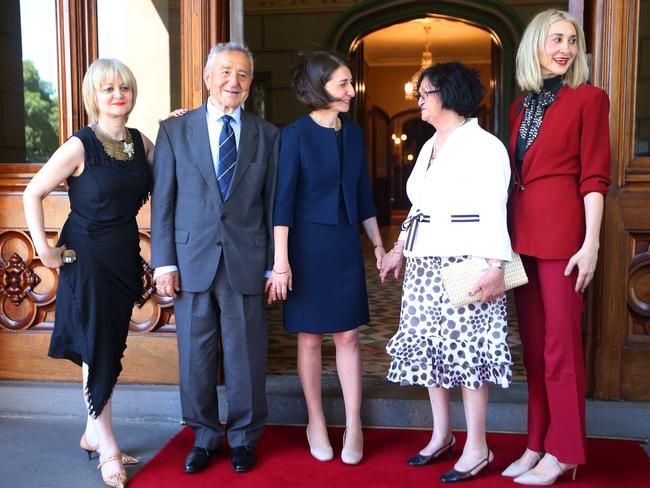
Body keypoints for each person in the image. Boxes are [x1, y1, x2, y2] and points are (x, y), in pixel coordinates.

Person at [23, 58, 153, 488]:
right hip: (85, 256)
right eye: (108, 88)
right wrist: (44, 249)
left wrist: (179, 125)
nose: (118, 94)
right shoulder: (80, 145)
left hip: (122, 256)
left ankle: (90, 431)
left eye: (125, 88)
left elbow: (174, 167)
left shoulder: (142, 143)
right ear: (93, 97)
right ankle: (109, 444)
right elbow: (33, 191)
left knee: (110, 343)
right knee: (97, 345)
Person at [380, 62, 512, 483]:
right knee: (432, 350)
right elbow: (421, 207)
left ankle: (478, 447)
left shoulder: (484, 146)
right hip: (424, 264)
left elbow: (495, 208)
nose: (418, 99)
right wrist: (400, 247)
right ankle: (442, 435)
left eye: (425, 92)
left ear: (449, 95)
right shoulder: (432, 143)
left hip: (468, 262)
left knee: (467, 354)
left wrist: (496, 267)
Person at [151, 42, 279, 475]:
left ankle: (244, 438)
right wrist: (163, 262)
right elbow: (163, 201)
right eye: (225, 72)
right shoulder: (174, 130)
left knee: (246, 357)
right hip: (190, 262)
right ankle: (203, 436)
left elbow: (271, 202)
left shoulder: (267, 134)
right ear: (207, 78)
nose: (234, 81)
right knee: (196, 355)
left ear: (250, 83)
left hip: (245, 259)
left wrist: (273, 263)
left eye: (243, 74)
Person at [501, 10, 611, 485]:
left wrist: (591, 243)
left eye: (572, 40)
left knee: (561, 349)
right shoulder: (520, 107)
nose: (565, 48)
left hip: (565, 240)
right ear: (535, 46)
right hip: (521, 241)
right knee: (533, 351)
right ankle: (536, 443)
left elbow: (594, 177)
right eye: (555, 39)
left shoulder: (590, 99)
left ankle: (564, 450)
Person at [267, 50, 383, 465]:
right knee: (311, 337)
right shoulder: (294, 134)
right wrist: (281, 262)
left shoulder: (352, 134)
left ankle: (354, 423)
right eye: (344, 84)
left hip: (345, 245)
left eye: (350, 83)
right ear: (321, 88)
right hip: (306, 246)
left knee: (349, 335)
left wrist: (378, 245)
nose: (352, 91)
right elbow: (281, 204)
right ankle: (315, 420)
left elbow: (363, 193)